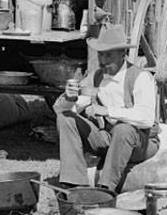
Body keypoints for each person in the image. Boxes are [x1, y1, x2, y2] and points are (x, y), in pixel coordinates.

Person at [55, 24, 158, 191]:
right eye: (101, 54)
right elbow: (60, 110)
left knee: (123, 129)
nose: (103, 60)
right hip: (108, 137)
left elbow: (147, 119)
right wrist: (69, 98)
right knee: (65, 119)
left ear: (123, 54)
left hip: (140, 142)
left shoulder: (140, 77)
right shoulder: (97, 76)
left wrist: (108, 111)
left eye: (109, 55)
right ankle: (74, 184)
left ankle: (106, 189)